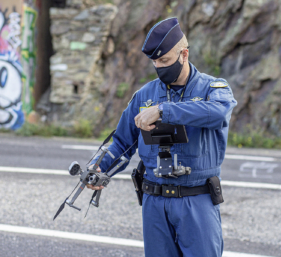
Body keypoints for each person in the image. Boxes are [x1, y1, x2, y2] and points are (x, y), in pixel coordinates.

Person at [86, 17, 237, 257]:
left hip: (196, 199)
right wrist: (99, 167)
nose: (159, 67)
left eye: (165, 60)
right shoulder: (143, 95)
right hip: (154, 202)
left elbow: (217, 114)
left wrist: (164, 110)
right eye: (155, 62)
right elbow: (123, 142)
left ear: (184, 54)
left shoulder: (213, 89)